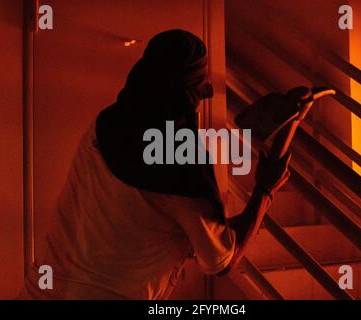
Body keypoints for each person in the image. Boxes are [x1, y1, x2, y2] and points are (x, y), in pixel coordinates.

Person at [18, 29, 290, 300]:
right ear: (191, 90)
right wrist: (264, 190)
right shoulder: (183, 168)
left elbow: (176, 221)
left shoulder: (105, 125)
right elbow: (223, 260)